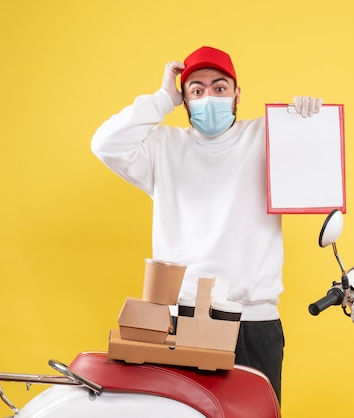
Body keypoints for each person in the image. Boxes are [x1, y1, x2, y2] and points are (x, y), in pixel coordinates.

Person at [91, 46, 322, 403]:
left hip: (253, 321)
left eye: (219, 87)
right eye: (196, 90)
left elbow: (315, 169)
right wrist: (161, 98)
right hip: (180, 319)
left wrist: (306, 122)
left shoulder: (267, 136)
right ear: (184, 101)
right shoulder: (162, 147)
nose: (209, 96)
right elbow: (105, 143)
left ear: (236, 93)